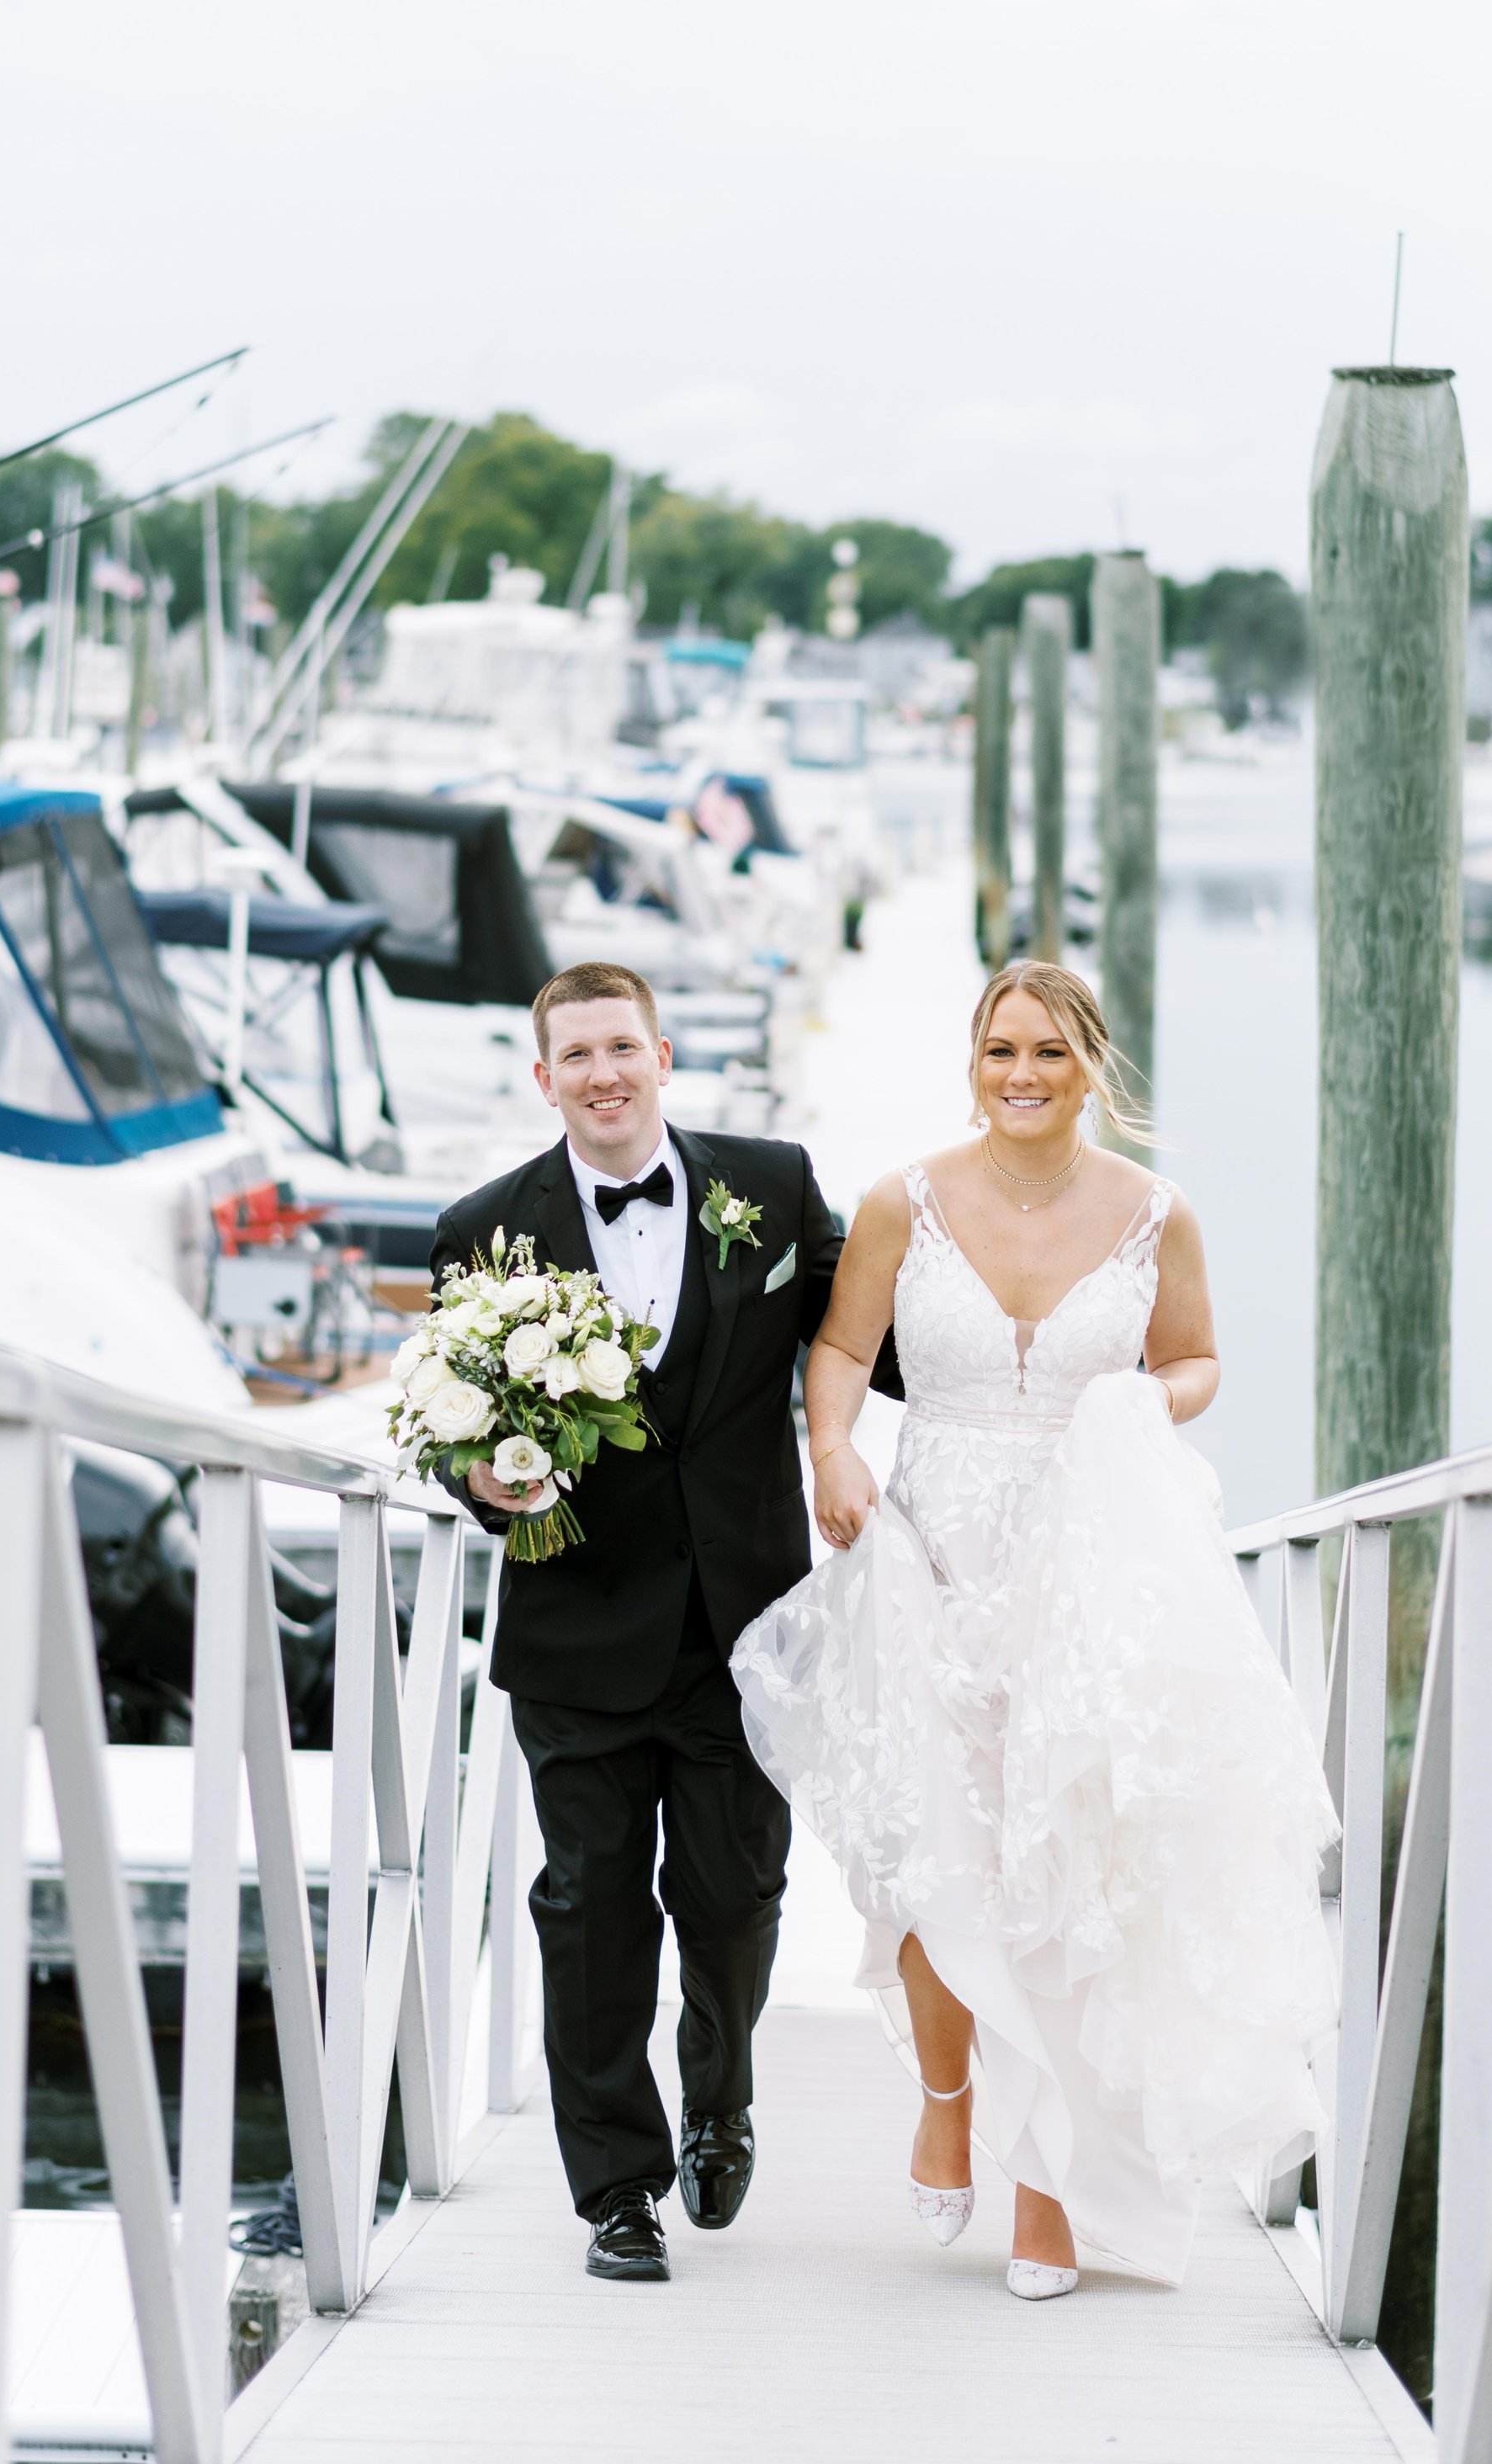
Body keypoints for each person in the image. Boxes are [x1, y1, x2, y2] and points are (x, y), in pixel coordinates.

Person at [731, 960, 1338, 2302]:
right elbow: (838, 1349)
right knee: (926, 1848)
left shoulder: (1154, 1214)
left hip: (1089, 1563)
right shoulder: (906, 1198)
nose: (1022, 1072)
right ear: (974, 1060)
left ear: (1089, 1068)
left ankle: (1050, 2185)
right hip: (930, 1550)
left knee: (1062, 1862)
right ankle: (947, 2090)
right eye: (1001, 1048)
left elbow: (1197, 1358)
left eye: (1049, 1053)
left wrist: (1138, 1408)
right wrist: (831, 1448)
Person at [432, 960, 889, 2286]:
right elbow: (452, 1423)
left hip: (745, 1632)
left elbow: (875, 1345)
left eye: (621, 1047)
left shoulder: (776, 1185)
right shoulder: (483, 1229)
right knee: (589, 1911)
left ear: (665, 1054)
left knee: (735, 1899)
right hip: (576, 1634)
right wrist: (478, 1477)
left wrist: (1030, 1345)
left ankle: (720, 2100)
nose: (603, 1075)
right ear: (543, 1078)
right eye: (574, 1055)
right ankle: (616, 2191)